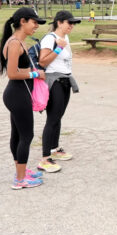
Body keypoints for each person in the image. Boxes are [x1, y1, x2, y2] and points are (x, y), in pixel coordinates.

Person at [0, 7, 47, 189]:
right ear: (23, 21)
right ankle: (20, 179)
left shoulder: (20, 42)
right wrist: (35, 75)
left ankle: (21, 170)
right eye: (34, 22)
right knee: (26, 135)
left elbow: (20, 69)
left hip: (20, 93)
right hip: (17, 94)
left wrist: (33, 71)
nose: (36, 27)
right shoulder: (14, 43)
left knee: (17, 134)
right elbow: (12, 73)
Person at [36, 10, 80, 173]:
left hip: (65, 80)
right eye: (70, 23)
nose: (72, 26)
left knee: (58, 116)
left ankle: (55, 149)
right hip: (54, 81)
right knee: (52, 119)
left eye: (73, 23)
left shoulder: (65, 38)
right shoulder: (50, 39)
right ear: (59, 22)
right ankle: (45, 158)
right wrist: (57, 49)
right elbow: (43, 61)